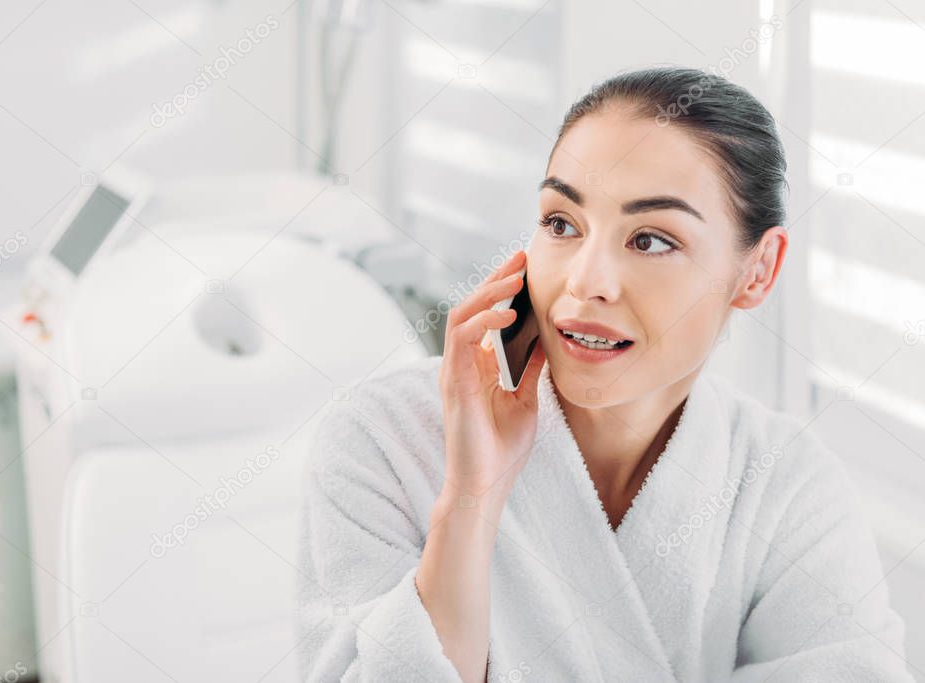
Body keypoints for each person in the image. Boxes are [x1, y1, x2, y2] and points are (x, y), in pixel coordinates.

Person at [293, 66, 912, 682]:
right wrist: (469, 505)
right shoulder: (381, 439)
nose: (586, 281)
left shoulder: (783, 484)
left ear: (757, 271)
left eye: (650, 240)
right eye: (561, 224)